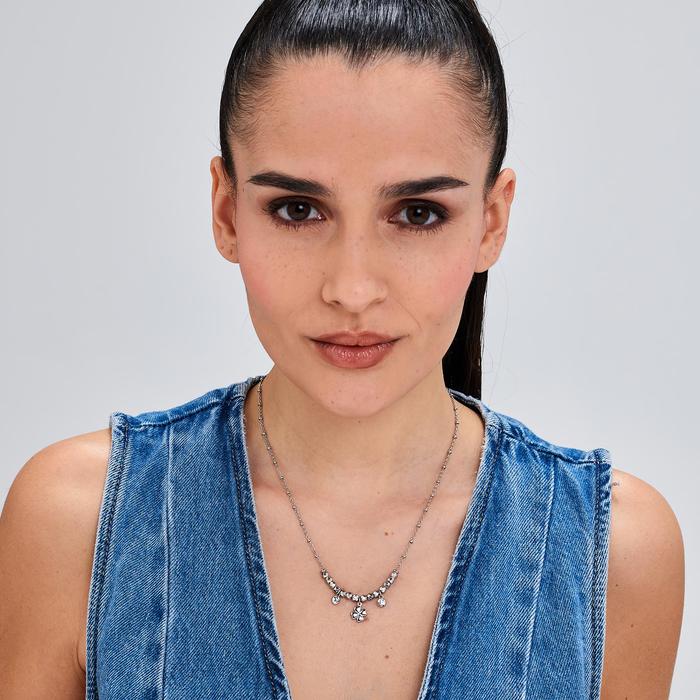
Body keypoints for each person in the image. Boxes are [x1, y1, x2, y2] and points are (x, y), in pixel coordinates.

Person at [0, 1, 685, 698]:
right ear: (227, 211)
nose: (352, 289)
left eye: (417, 213)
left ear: (491, 220)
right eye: (298, 209)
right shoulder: (78, 521)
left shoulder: (614, 554)